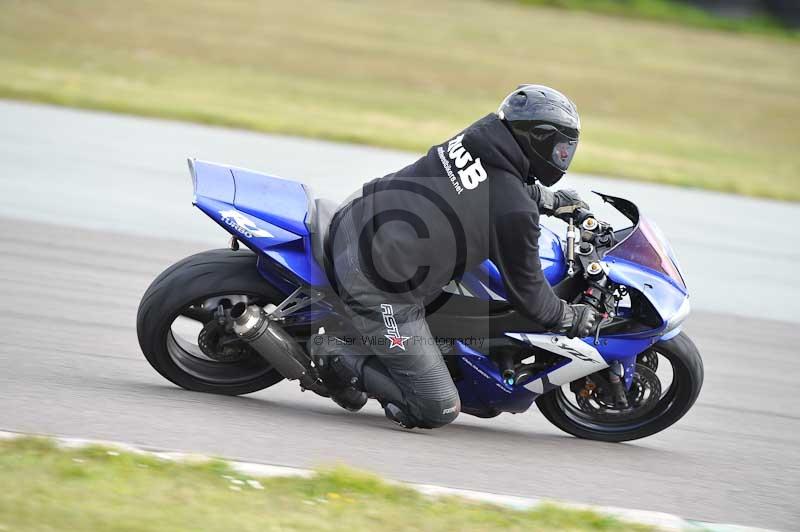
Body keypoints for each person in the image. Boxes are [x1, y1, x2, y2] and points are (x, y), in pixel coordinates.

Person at [310, 84, 599, 429]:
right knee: (437, 408)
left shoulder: (481, 137)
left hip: (360, 215)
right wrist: (570, 317)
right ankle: (332, 354)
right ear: (538, 139)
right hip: (373, 280)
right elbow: (532, 297)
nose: (563, 156)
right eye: (561, 148)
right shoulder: (512, 210)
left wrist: (548, 200)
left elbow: (492, 183)